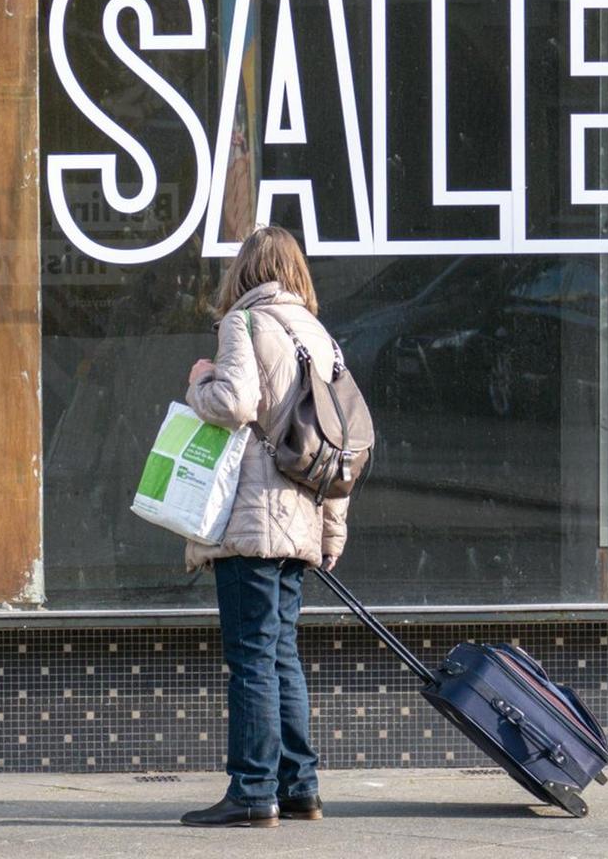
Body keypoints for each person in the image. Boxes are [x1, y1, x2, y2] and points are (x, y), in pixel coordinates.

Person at [178, 226, 349, 829]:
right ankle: (299, 787)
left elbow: (233, 402)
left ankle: (252, 792)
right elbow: (340, 444)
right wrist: (331, 533)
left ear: (244, 272)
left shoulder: (243, 324)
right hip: (300, 517)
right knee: (280, 655)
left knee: (252, 656)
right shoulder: (320, 338)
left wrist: (200, 378)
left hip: (251, 518)